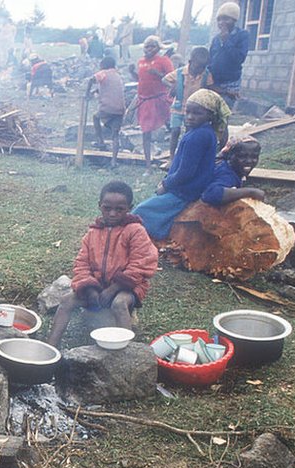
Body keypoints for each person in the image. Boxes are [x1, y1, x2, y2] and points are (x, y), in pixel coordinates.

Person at [47, 181, 158, 347]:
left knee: (119, 304)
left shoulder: (135, 231)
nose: (112, 213)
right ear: (100, 206)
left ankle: (126, 352)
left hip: (127, 287)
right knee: (66, 301)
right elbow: (81, 265)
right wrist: (90, 288)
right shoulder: (93, 233)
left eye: (119, 209)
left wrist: (114, 288)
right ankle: (50, 347)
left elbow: (141, 264)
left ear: (129, 207)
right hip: (97, 286)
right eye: (107, 208)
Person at [132, 89, 227, 239]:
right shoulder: (204, 131)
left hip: (186, 190)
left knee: (141, 211)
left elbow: (186, 172)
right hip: (189, 186)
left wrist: (166, 184)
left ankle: (156, 236)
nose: (190, 117)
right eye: (188, 112)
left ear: (210, 115)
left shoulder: (198, 136)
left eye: (197, 113)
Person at [129, 35, 174, 172]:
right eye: (146, 46)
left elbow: (172, 79)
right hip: (145, 100)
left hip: (160, 100)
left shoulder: (164, 61)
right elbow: (141, 79)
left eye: (152, 46)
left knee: (173, 129)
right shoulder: (141, 62)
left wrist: (158, 74)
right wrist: (132, 72)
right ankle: (148, 165)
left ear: (158, 48)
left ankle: (173, 159)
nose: (148, 49)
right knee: (146, 132)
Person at [164, 46, 213, 157]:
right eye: (198, 67)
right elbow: (164, 79)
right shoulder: (180, 73)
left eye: (203, 67)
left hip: (194, 110)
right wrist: (173, 85)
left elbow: (210, 87)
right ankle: (172, 157)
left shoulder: (206, 75)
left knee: (189, 133)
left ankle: (184, 155)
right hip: (178, 107)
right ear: (190, 62)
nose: (200, 70)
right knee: (175, 131)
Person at [201, 136, 265, 205]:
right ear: (230, 155)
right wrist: (250, 192)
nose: (249, 161)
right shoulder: (226, 173)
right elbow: (211, 194)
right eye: (242, 156)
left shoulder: (231, 169)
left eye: (254, 157)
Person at [208, 2, 249, 108]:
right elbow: (210, 59)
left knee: (223, 113)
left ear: (234, 20)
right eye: (219, 19)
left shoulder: (242, 35)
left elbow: (239, 58)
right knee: (210, 111)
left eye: (226, 19)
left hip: (231, 83)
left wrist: (227, 41)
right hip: (215, 82)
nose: (222, 22)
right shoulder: (216, 39)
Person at [86, 56, 125, 168]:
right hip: (120, 108)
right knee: (115, 134)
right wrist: (96, 91)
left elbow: (91, 80)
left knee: (95, 117)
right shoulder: (117, 75)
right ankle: (114, 161)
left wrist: (87, 94)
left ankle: (101, 141)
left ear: (103, 65)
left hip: (108, 107)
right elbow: (110, 88)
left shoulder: (103, 73)